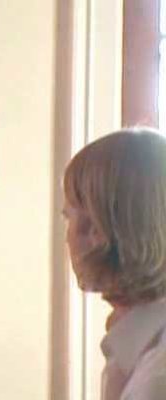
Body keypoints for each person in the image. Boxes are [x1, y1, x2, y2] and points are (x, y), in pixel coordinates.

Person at [62, 128, 166, 400]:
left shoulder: (155, 379)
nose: (67, 236)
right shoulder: (135, 347)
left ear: (95, 230)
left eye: (68, 216)